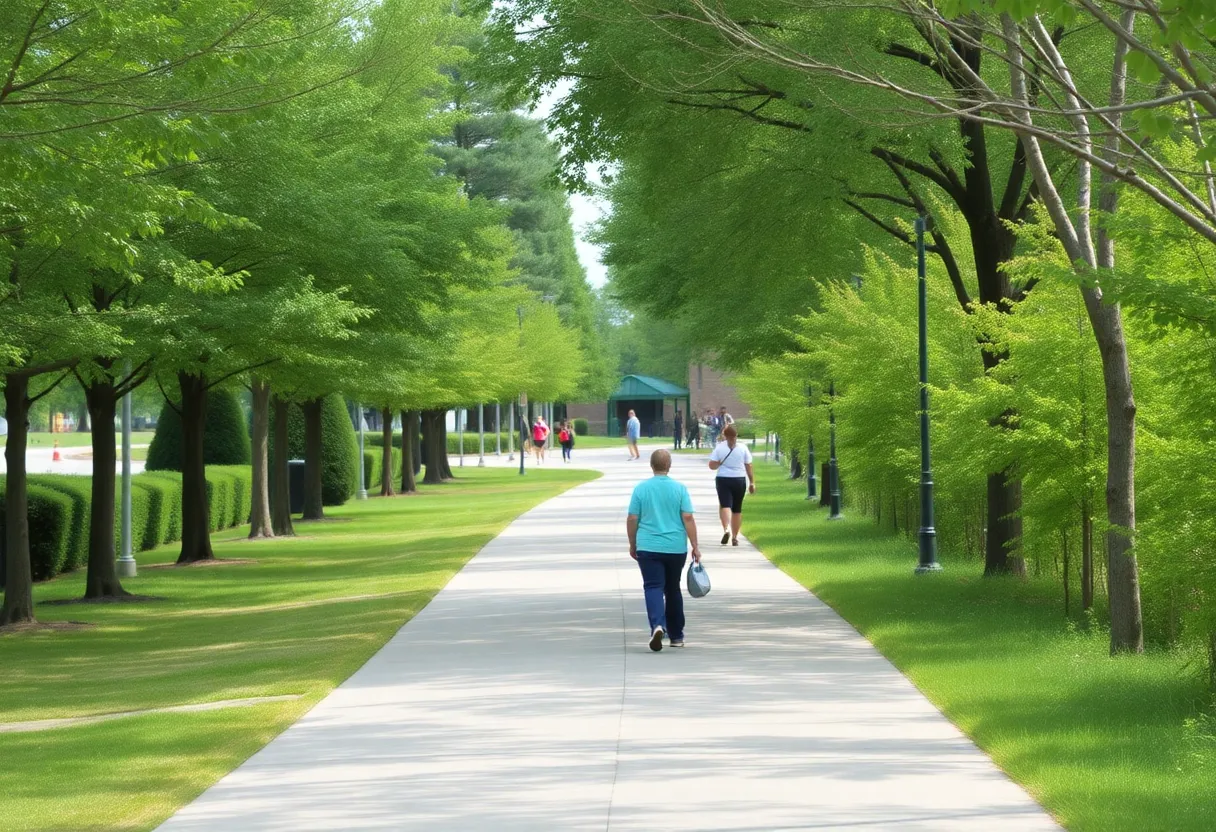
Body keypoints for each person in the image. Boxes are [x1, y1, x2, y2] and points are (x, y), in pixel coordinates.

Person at [627, 449, 701, 651]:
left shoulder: (641, 489)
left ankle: (657, 625)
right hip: (675, 547)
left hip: (648, 546)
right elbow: (688, 518)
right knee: (672, 588)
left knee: (653, 587)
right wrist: (695, 545)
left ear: (652, 466)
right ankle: (676, 636)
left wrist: (632, 543)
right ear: (669, 466)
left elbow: (633, 518)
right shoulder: (679, 489)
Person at [708, 424, 755, 546]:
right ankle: (735, 537)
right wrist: (752, 482)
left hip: (723, 479)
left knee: (725, 505)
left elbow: (711, 465)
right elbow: (748, 465)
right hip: (739, 479)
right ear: (736, 435)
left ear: (725, 435)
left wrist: (719, 463)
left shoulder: (719, 448)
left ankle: (726, 529)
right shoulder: (743, 448)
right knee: (737, 509)